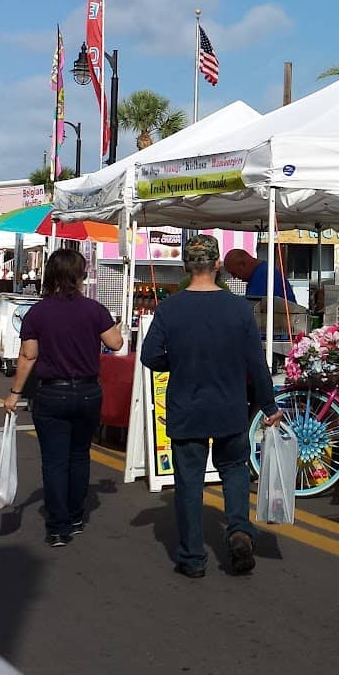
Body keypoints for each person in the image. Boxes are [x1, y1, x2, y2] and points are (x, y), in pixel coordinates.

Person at [139, 235, 283, 577]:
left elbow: (149, 356)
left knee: (189, 481)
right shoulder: (238, 308)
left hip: (186, 406)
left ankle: (192, 558)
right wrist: (268, 405)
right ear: (217, 265)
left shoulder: (170, 308)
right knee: (234, 470)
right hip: (230, 406)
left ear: (187, 267)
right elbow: (256, 363)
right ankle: (238, 533)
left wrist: (179, 362)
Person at [2, 249, 123, 547]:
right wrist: (113, 325)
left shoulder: (38, 312)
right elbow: (116, 343)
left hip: (51, 391)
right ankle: (76, 515)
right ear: (80, 275)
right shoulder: (94, 309)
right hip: (86, 391)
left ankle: (57, 526)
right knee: (79, 455)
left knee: (55, 461)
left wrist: (14, 393)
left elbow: (28, 356)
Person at [222, 249, 296, 303]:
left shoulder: (263, 275)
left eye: (234, 273)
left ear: (243, 264)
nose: (234, 277)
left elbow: (253, 309)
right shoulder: (262, 272)